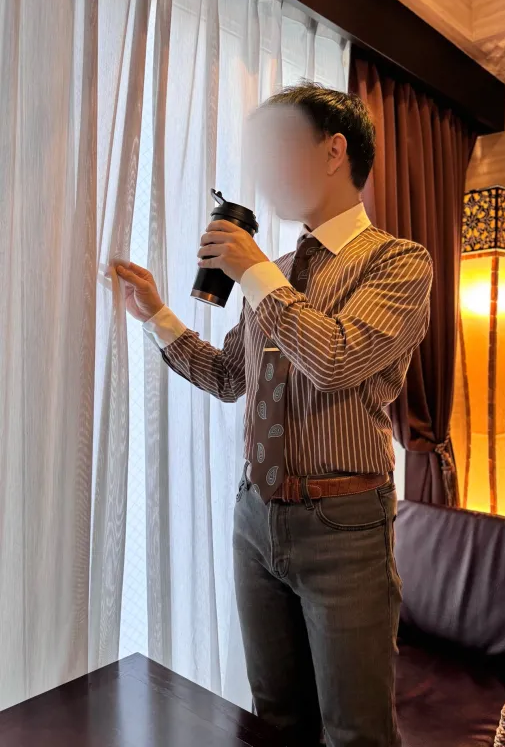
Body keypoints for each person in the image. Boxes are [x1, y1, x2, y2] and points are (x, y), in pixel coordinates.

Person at [117, 83, 432, 747]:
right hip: (254, 518)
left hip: (344, 526)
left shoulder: (399, 262)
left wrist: (256, 272)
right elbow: (230, 376)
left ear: (333, 151)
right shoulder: (278, 270)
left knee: (356, 733)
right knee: (274, 719)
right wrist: (156, 315)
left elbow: (336, 359)